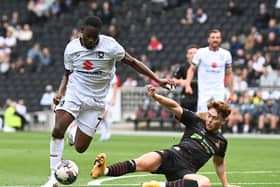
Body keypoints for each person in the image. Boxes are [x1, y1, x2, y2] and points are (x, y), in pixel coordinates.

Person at [41, 16, 174, 187]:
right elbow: (67, 73)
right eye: (88, 36)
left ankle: (74, 133)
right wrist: (60, 92)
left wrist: (157, 79)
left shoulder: (110, 46)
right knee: (58, 129)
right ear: (81, 31)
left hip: (96, 101)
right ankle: (53, 177)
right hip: (75, 94)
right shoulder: (71, 48)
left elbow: (133, 62)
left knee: (80, 148)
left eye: (94, 37)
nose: (91, 40)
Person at [91, 85, 239, 187]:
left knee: (205, 183)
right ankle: (104, 170)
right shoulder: (196, 121)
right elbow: (175, 106)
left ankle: (158, 186)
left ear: (223, 121)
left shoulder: (221, 142)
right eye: (209, 116)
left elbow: (219, 162)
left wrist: (225, 184)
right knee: (141, 162)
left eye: (215, 118)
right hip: (171, 156)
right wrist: (156, 96)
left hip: (185, 172)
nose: (210, 120)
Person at [185, 29, 234, 112]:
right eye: (213, 37)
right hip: (204, 92)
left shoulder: (226, 54)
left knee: (218, 117)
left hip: (219, 92)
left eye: (217, 38)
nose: (215, 39)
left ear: (220, 40)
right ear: (208, 39)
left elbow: (229, 74)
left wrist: (231, 93)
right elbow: (191, 70)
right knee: (202, 117)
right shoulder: (201, 52)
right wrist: (187, 85)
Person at [173, 45, 198, 111]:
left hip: (200, 96)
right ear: (187, 55)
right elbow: (173, 80)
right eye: (190, 53)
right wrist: (182, 82)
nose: (193, 55)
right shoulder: (183, 67)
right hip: (187, 97)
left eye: (195, 53)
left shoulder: (203, 67)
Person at [99, 74, 119, 141]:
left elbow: (115, 86)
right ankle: (104, 133)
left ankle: (107, 132)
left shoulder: (112, 73)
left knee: (104, 116)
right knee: (100, 117)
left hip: (108, 98)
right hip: (101, 97)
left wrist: (114, 98)